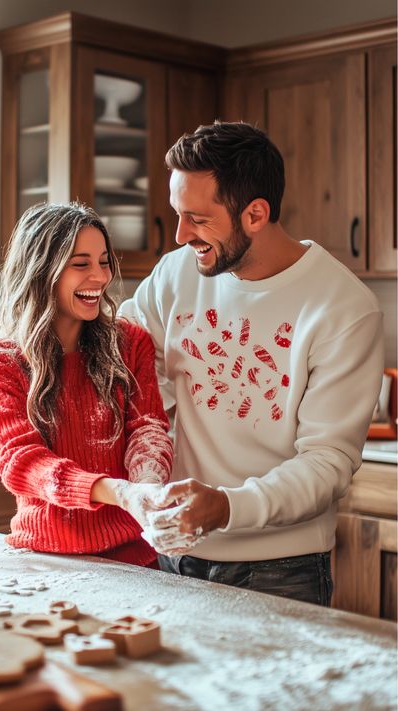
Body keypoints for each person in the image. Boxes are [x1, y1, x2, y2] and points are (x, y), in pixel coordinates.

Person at [119, 120, 384, 604]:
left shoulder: (344, 309)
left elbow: (327, 462)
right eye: (177, 214)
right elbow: (122, 354)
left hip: (280, 569)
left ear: (256, 214)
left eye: (197, 218)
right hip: (170, 555)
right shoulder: (178, 272)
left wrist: (226, 507)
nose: (180, 235)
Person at [0, 202, 173, 567]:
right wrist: (118, 492)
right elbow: (22, 461)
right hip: (44, 560)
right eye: (81, 264)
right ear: (40, 270)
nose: (100, 277)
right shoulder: (0, 359)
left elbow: (148, 430)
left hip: (136, 560)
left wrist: (145, 486)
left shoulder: (130, 344)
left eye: (104, 261)